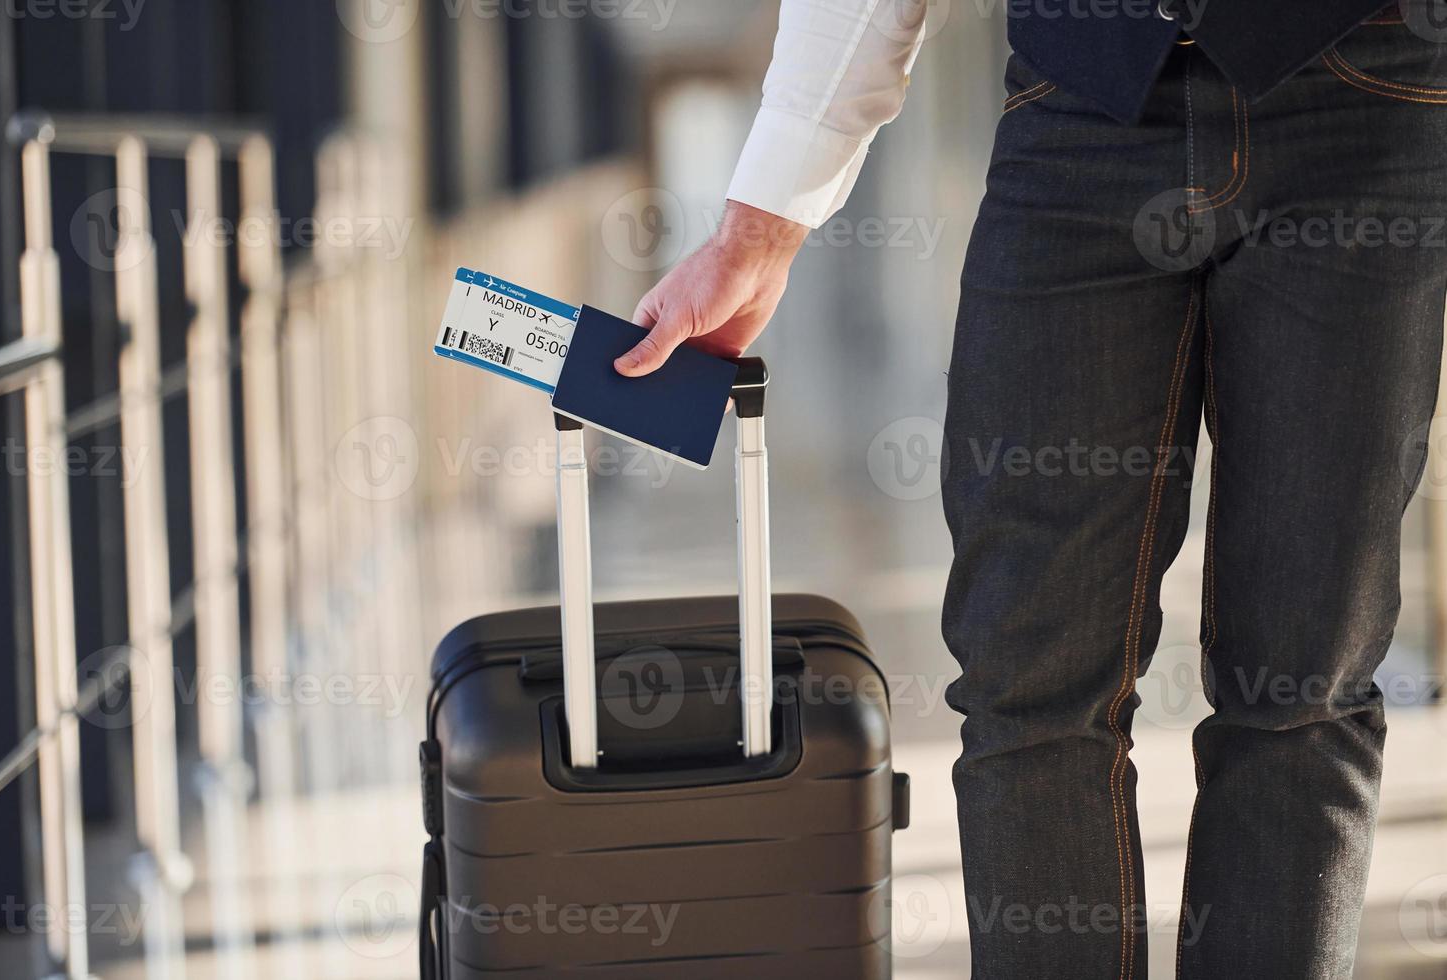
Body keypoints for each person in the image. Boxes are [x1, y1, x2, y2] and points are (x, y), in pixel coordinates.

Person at [615, 0, 1447, 976]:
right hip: (1081, 105)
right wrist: (757, 229)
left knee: (1304, 675)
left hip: (1363, 93)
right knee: (1028, 670)